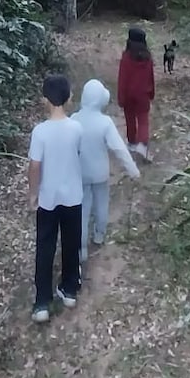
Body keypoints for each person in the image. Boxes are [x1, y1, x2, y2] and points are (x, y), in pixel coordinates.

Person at [27, 74, 84, 324]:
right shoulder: (76, 128)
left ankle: (42, 302)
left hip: (48, 199)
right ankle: (69, 290)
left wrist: (32, 194)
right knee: (71, 243)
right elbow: (77, 154)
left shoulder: (40, 132)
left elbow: (34, 166)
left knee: (45, 246)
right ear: (69, 98)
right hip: (73, 196)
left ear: (44, 101)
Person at [70, 79, 140, 265]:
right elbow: (119, 149)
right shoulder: (105, 122)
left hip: (81, 174)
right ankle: (99, 235)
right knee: (101, 205)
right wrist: (132, 170)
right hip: (100, 174)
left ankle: (81, 249)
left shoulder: (74, 120)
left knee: (82, 211)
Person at [117, 27, 156, 161]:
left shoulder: (126, 58)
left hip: (128, 94)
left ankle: (132, 142)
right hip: (143, 94)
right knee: (143, 120)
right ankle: (142, 144)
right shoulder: (148, 59)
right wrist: (151, 92)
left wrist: (121, 97)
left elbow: (122, 79)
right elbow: (151, 77)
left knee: (130, 119)